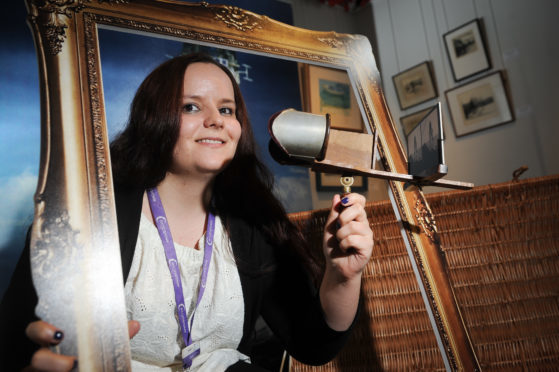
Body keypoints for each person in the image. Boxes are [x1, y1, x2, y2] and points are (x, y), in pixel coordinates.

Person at [0, 53, 374, 371]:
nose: (216, 120)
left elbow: (313, 346)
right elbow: (16, 338)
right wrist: (41, 354)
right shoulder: (87, 215)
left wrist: (342, 276)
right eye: (191, 106)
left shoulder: (253, 222)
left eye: (226, 109)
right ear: (154, 118)